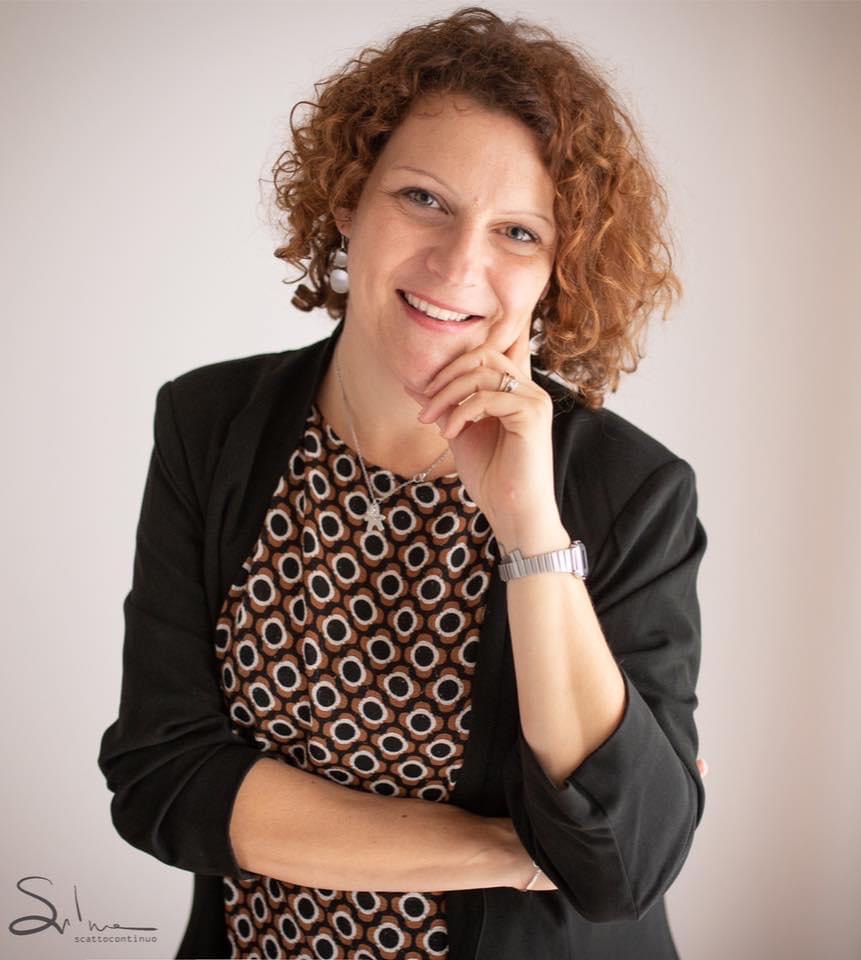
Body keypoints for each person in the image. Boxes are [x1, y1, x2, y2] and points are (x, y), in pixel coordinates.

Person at [97, 7, 709, 959]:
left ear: (558, 272)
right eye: (424, 198)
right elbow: (163, 780)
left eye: (517, 232)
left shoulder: (629, 490)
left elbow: (623, 865)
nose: (460, 263)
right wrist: (507, 853)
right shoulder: (209, 423)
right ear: (349, 201)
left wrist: (530, 531)